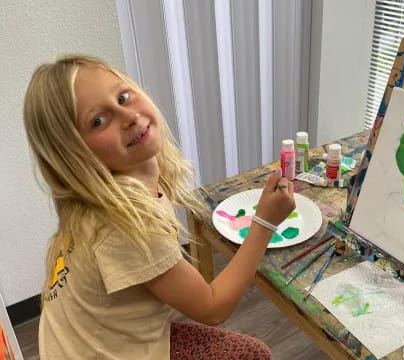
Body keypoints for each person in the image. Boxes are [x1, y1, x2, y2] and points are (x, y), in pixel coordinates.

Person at [23, 54, 295, 360]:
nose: (127, 117)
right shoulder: (124, 226)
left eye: (123, 97)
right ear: (72, 155)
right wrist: (265, 223)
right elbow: (213, 307)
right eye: (98, 120)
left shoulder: (116, 194)